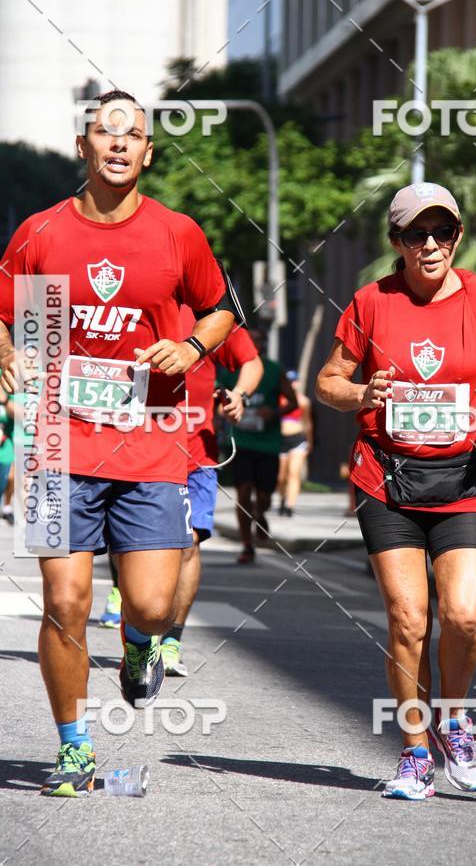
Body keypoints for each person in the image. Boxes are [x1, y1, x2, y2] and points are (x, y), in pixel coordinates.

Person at [0, 90, 236, 797]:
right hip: (56, 439)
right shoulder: (42, 233)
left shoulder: (178, 234)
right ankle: (74, 748)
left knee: (154, 604)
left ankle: (139, 647)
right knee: (65, 600)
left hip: (151, 442)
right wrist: (8, 356)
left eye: (134, 135)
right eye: (107, 132)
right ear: (84, 146)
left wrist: (192, 345)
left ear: (148, 152)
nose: (120, 144)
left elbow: (224, 309)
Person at [316, 181, 476, 801]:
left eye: (442, 232)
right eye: (415, 234)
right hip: (387, 479)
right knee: (409, 620)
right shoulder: (371, 302)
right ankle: (412, 754)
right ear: (397, 241)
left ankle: (455, 722)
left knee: (464, 615)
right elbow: (329, 381)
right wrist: (362, 395)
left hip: (463, 479)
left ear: (458, 236)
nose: (430, 244)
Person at [160, 308, 263, 676]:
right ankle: (139, 633)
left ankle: (171, 640)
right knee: (141, 550)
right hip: (143, 453)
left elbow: (251, 363)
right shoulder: (141, 301)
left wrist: (239, 396)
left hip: (197, 458)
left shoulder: (211, 317)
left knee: (187, 544)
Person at [219, 327, 297, 564]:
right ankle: (247, 545)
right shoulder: (231, 369)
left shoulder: (274, 370)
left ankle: (260, 513)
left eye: (259, 341)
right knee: (243, 494)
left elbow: (292, 402)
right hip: (241, 442)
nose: (255, 345)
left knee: (264, 496)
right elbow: (218, 397)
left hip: (268, 445)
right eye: (251, 341)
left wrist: (272, 412)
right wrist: (225, 411)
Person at [277, 370, 313, 516]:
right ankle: (282, 498)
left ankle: (290, 505)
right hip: (280, 441)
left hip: (298, 440)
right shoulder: (278, 399)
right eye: (289, 381)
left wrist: (310, 441)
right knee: (281, 477)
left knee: (294, 473)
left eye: (294, 381)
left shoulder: (303, 402)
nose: (292, 384)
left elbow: (307, 423)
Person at [0, 387, 14, 524]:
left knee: (9, 478)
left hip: (7, 442)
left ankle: (7, 507)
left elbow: (19, 415)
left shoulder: (9, 388)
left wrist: (5, 400)